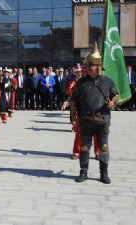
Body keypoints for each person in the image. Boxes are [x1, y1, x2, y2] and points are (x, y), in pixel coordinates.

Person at [70, 43, 119, 184]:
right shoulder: (81, 83)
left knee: (103, 147)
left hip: (103, 120)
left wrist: (113, 102)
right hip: (85, 120)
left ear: (98, 67)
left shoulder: (107, 81)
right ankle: (83, 172)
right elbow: (74, 101)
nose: (87, 67)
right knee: (84, 147)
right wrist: (73, 117)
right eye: (87, 65)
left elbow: (116, 95)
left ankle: (104, 173)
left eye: (90, 65)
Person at [62, 64, 99, 160]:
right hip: (81, 111)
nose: (82, 74)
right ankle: (77, 151)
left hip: (95, 110)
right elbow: (73, 95)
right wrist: (67, 102)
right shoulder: (79, 83)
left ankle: (98, 152)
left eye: (83, 72)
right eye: (80, 72)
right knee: (79, 131)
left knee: (96, 132)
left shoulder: (97, 81)